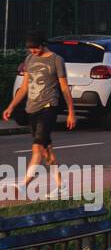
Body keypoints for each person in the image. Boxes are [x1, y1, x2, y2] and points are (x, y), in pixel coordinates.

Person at [3, 31, 75, 194]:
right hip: (32, 108)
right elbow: (24, 88)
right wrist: (11, 106)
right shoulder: (29, 59)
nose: (32, 51)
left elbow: (64, 87)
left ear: (43, 44)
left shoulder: (56, 60)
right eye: (30, 49)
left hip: (49, 107)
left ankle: (24, 184)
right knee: (46, 149)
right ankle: (61, 186)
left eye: (35, 48)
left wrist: (71, 111)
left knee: (37, 147)